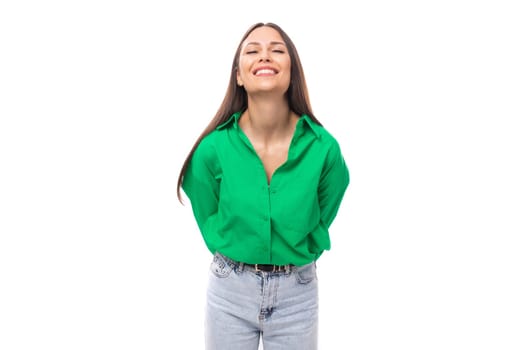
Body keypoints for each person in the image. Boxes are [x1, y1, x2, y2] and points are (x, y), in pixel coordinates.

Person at [176, 22, 350, 350]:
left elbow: (330, 200)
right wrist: (226, 244)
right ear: (239, 76)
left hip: (297, 294)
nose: (264, 56)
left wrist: (304, 246)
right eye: (252, 51)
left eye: (277, 50)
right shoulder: (213, 148)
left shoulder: (323, 148)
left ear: (292, 72)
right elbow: (204, 204)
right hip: (229, 292)